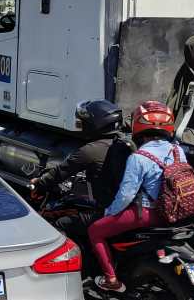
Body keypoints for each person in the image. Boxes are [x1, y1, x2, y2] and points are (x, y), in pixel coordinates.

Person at [88, 100, 184, 293]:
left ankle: (111, 279)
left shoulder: (138, 157)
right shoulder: (177, 151)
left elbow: (126, 195)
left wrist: (109, 213)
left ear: (138, 126)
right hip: (176, 211)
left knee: (95, 231)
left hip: (149, 213)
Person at [29, 100, 133, 238]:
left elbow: (60, 172)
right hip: (128, 206)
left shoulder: (90, 150)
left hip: (107, 209)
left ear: (95, 125)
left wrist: (39, 182)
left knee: (60, 224)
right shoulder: (126, 143)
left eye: (84, 122)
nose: (82, 125)